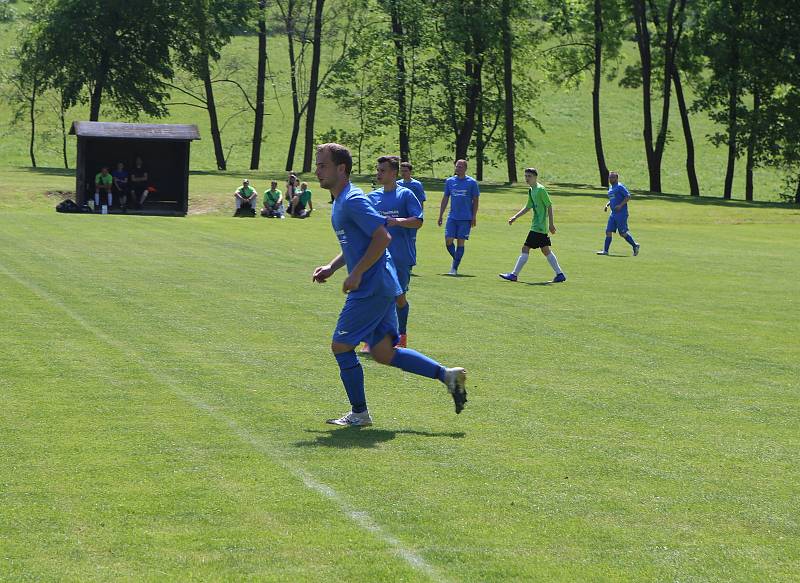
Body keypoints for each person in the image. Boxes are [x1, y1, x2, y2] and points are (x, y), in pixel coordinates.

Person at [311, 142, 467, 426]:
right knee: (384, 353)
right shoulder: (344, 200)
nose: (317, 171)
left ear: (341, 169)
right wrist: (332, 267)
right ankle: (448, 375)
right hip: (380, 284)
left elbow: (383, 237)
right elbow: (357, 243)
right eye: (317, 165)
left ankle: (359, 413)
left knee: (341, 346)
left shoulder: (353, 200)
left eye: (323, 165)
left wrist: (356, 273)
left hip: (370, 287)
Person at [365, 155, 423, 351]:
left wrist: (397, 221)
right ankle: (371, 338)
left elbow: (418, 221)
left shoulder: (405, 195)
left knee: (399, 297)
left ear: (393, 173)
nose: (378, 173)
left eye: (382, 170)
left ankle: (401, 336)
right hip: (377, 256)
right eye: (378, 170)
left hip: (400, 256)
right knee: (374, 295)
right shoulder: (372, 197)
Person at [499, 168, 566, 283]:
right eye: (525, 176)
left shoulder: (540, 190)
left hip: (539, 227)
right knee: (545, 250)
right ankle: (560, 274)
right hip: (537, 226)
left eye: (529, 176)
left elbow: (549, 206)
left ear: (535, 177)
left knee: (525, 248)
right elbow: (528, 207)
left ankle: (514, 275)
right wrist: (515, 217)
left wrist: (551, 224)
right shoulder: (531, 190)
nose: (527, 178)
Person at [438, 159, 480, 276]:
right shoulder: (449, 181)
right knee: (448, 240)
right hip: (452, 217)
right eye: (457, 166)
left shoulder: (472, 183)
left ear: (465, 168)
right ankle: (457, 259)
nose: (458, 168)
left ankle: (454, 268)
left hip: (465, 218)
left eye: (460, 167)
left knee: (460, 242)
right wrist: (440, 215)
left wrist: (474, 216)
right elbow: (445, 198)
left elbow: (476, 200)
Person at [597, 171, 641, 256]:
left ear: (617, 178)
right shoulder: (611, 188)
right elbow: (613, 198)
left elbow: (628, 196)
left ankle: (635, 245)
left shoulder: (620, 187)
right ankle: (605, 251)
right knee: (608, 231)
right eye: (609, 177)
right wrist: (607, 205)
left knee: (622, 233)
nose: (610, 179)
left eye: (612, 177)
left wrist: (620, 205)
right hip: (613, 214)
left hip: (621, 214)